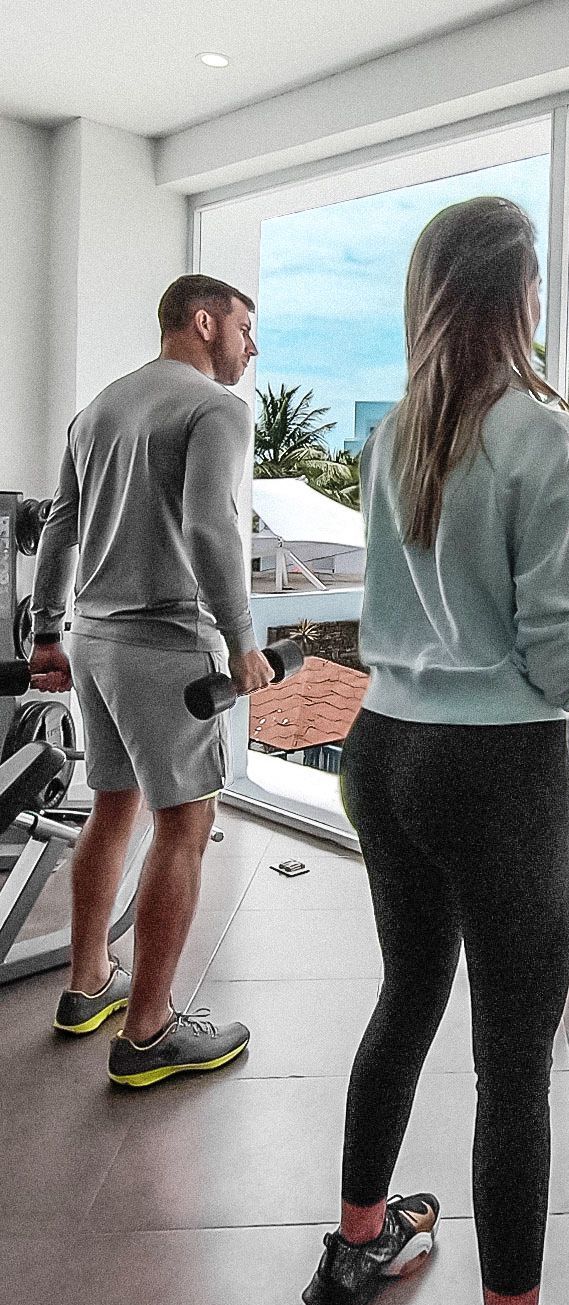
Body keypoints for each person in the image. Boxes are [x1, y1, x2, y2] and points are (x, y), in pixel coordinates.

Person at [301, 198, 569, 1305]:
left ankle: (355, 1250)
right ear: (524, 294)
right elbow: (565, 657)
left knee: (406, 999)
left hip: (383, 753)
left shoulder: (396, 435)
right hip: (495, 774)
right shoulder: (545, 435)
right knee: (513, 1062)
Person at [30, 273, 275, 1087]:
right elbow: (210, 522)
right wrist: (242, 639)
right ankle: (149, 1031)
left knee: (112, 805)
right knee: (186, 825)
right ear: (204, 323)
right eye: (245, 327)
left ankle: (87, 981)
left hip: (95, 639)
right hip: (168, 642)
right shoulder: (217, 409)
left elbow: (59, 528)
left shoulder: (98, 408)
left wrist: (45, 630)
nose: (251, 346)